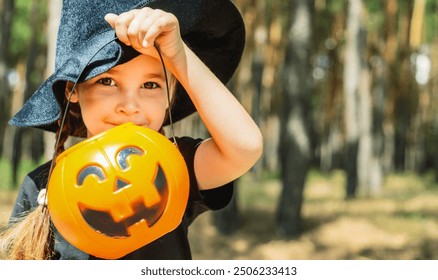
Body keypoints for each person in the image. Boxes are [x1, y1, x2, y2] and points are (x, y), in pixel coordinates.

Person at [0, 0, 262, 260]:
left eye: (150, 85)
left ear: (171, 96)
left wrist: (178, 55)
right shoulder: (40, 187)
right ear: (73, 89)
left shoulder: (174, 164)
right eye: (108, 81)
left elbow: (245, 147)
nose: (130, 106)